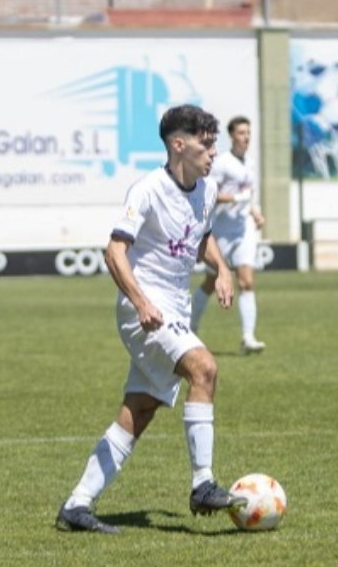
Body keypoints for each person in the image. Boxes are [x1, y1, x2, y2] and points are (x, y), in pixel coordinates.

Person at [55, 104, 247, 534]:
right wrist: (141, 302)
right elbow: (114, 251)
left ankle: (76, 505)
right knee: (205, 368)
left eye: (214, 143)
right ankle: (202, 483)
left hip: (173, 310)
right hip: (145, 310)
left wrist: (223, 268)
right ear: (179, 145)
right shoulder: (147, 190)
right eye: (206, 143)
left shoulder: (207, 189)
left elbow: (202, 238)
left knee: (139, 411)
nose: (213, 152)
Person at [190, 115, 267, 354]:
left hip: (243, 230)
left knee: (246, 281)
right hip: (221, 230)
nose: (246, 137)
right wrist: (234, 198)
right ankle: (189, 329)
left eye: (248, 132)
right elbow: (208, 194)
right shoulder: (222, 163)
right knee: (212, 282)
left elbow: (249, 194)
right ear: (232, 136)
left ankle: (248, 336)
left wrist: (255, 211)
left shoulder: (250, 163)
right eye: (242, 133)